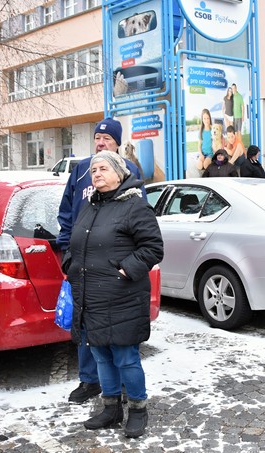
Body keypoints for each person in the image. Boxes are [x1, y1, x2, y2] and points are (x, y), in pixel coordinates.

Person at [65, 150, 163, 438]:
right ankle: (110, 408)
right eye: (93, 169)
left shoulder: (135, 206)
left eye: (104, 168)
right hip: (91, 298)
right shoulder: (89, 206)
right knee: (100, 356)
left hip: (122, 297)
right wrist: (69, 265)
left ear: (119, 174)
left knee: (125, 357)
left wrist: (124, 270)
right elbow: (74, 242)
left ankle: (138, 409)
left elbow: (153, 248)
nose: (97, 174)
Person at [55, 118, 143, 405]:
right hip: (84, 264)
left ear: (117, 143)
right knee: (86, 328)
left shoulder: (129, 171)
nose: (100, 142)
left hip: (115, 267)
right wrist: (68, 253)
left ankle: (126, 387)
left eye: (107, 138)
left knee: (119, 333)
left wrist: (126, 265)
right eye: (97, 138)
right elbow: (67, 212)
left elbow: (142, 224)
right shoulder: (82, 170)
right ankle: (89, 380)